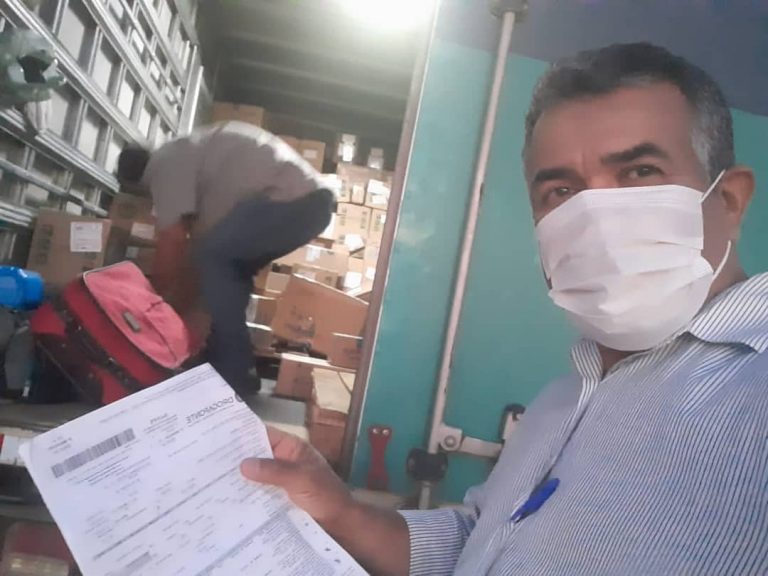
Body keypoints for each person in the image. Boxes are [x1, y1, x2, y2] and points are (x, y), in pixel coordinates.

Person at [239, 43, 768, 575]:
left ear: (729, 201)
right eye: (561, 190)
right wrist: (341, 512)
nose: (596, 218)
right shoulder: (565, 396)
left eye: (639, 172)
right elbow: (484, 543)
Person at [117, 122, 334, 392]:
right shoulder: (193, 152)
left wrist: (153, 301)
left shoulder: (164, 164)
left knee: (214, 258)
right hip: (310, 203)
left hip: (294, 201)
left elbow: (173, 238)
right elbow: (192, 254)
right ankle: (232, 362)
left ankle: (233, 370)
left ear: (138, 182)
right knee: (230, 272)